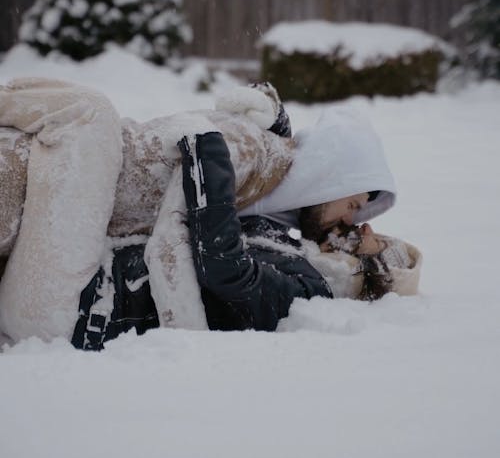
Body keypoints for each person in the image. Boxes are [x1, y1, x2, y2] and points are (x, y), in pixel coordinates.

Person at [0, 79, 408, 349]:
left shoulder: (310, 290)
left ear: (369, 266)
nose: (358, 222)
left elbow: (226, 268)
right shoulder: (290, 248)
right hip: (76, 285)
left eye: (368, 232)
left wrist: (207, 152)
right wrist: (274, 129)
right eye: (354, 206)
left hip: (72, 308)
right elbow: (260, 201)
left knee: (88, 112)